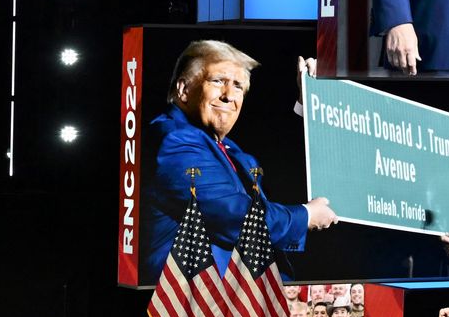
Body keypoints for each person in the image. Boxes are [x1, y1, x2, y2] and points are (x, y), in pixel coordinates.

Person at [141, 41, 338, 280]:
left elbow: (281, 171)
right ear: (183, 90)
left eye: (237, 86)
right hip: (205, 306)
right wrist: (305, 216)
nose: (228, 96)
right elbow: (236, 217)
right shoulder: (176, 142)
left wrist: (308, 105)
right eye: (217, 81)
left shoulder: (226, 147)